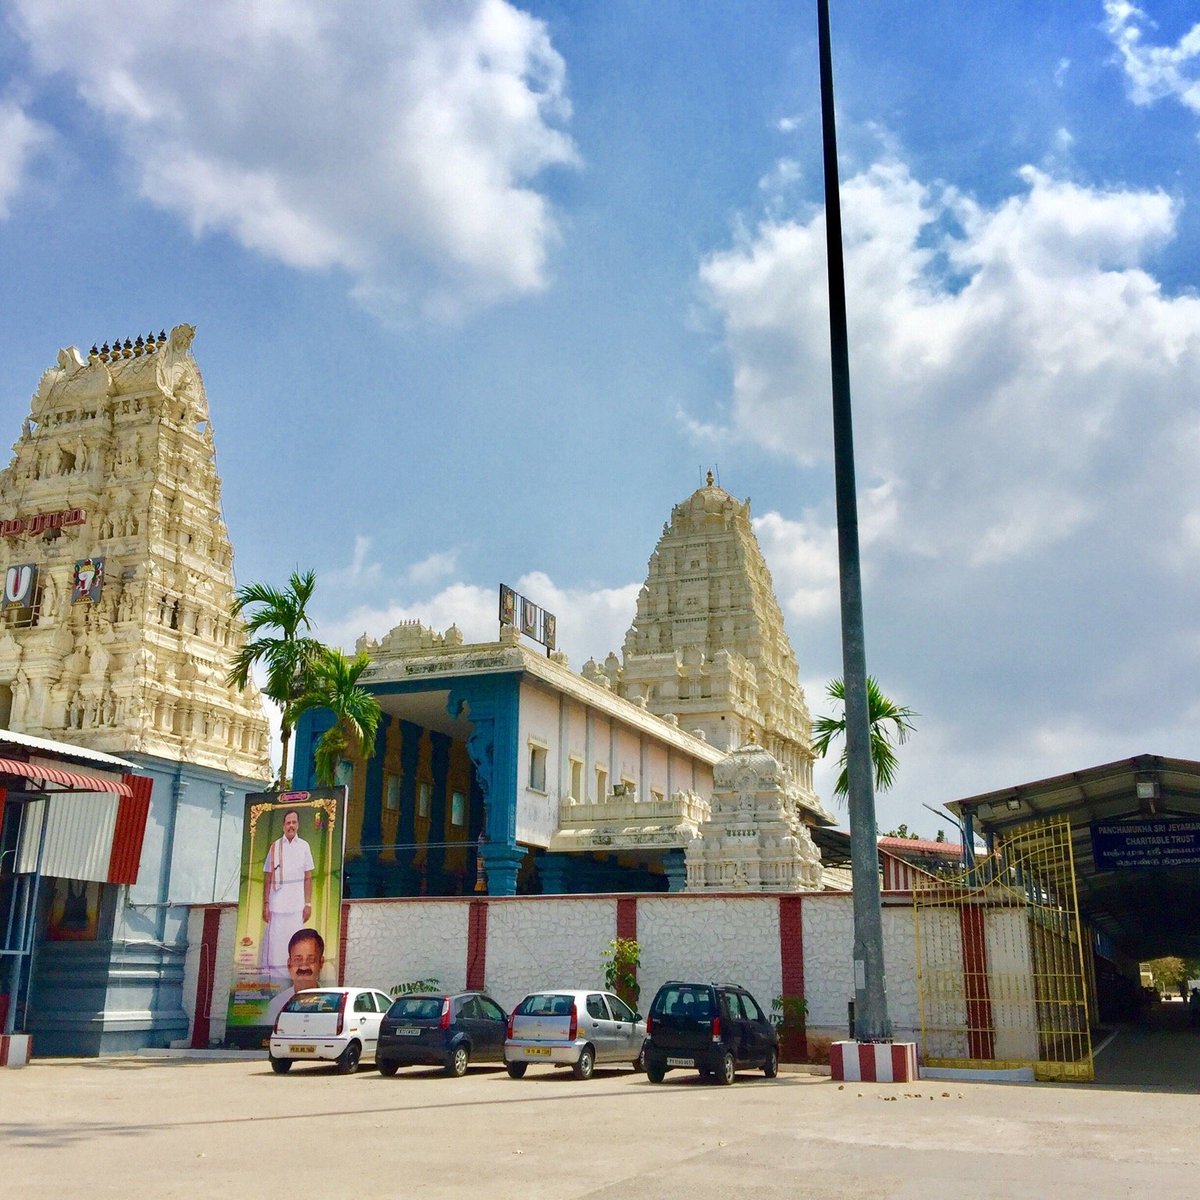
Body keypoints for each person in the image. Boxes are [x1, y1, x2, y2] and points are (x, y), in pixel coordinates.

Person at [261, 809, 314, 978]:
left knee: (295, 944)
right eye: (288, 823)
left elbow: (308, 877)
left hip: (296, 907)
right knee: (275, 945)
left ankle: (293, 978)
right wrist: (266, 904)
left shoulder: (304, 846)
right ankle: (273, 980)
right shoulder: (275, 847)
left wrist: (308, 904)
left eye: (294, 822)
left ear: (298, 825)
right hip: (277, 905)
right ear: (283, 826)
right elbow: (268, 877)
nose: (291, 826)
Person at [265, 928, 325, 1025]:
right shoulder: (275, 1006)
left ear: (321, 963)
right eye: (298, 959)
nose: (304, 966)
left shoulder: (333, 1003)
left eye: (311, 959)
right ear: (289, 964)